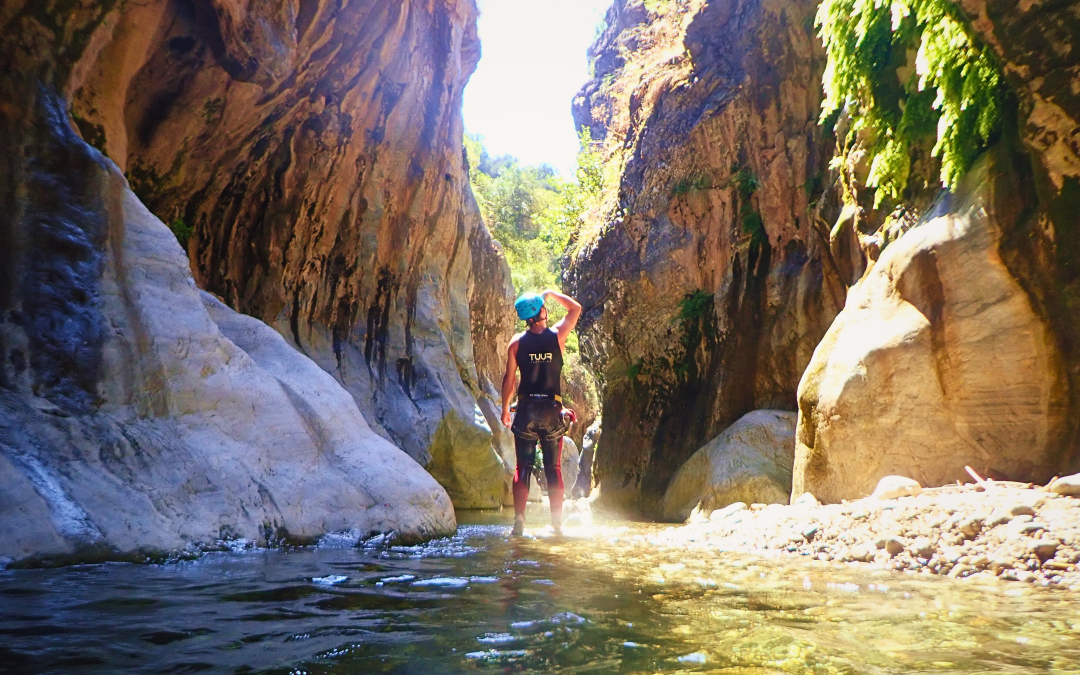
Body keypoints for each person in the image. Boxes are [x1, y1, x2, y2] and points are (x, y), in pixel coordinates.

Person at [501, 288, 581, 536]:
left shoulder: (516, 343)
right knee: (553, 468)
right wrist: (550, 293)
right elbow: (575, 308)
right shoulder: (557, 336)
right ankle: (556, 524)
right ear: (542, 311)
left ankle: (519, 521)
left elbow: (509, 379)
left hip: (525, 410)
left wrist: (505, 408)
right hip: (551, 410)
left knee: (522, 467)